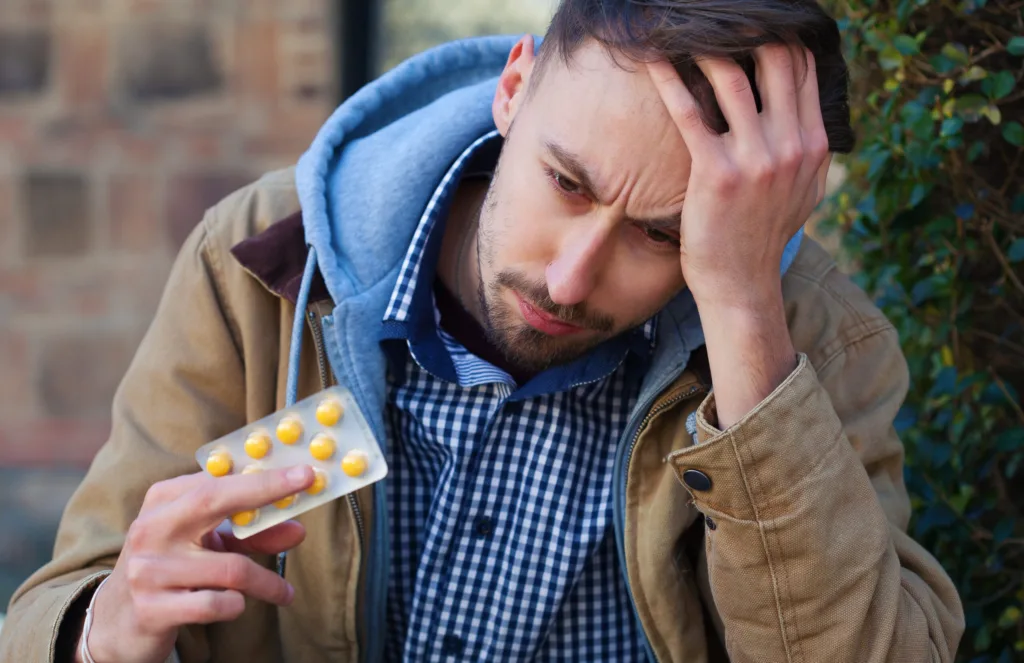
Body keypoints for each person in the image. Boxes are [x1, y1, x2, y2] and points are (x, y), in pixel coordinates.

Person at [0, 0, 964, 661]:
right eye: (566, 181)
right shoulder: (263, 263)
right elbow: (54, 606)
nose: (570, 274)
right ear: (515, 85)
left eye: (662, 236)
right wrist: (108, 627)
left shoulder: (818, 345)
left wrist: (747, 314)